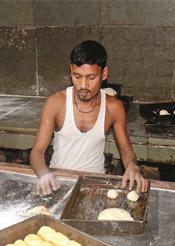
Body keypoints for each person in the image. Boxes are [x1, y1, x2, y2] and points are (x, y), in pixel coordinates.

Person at [29, 40, 148, 196]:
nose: (83, 85)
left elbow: (126, 150)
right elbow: (36, 152)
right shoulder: (56, 103)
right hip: (58, 182)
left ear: (104, 74)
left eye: (91, 77)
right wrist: (44, 174)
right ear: (71, 71)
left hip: (95, 183)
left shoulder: (113, 107)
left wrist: (132, 165)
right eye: (77, 76)